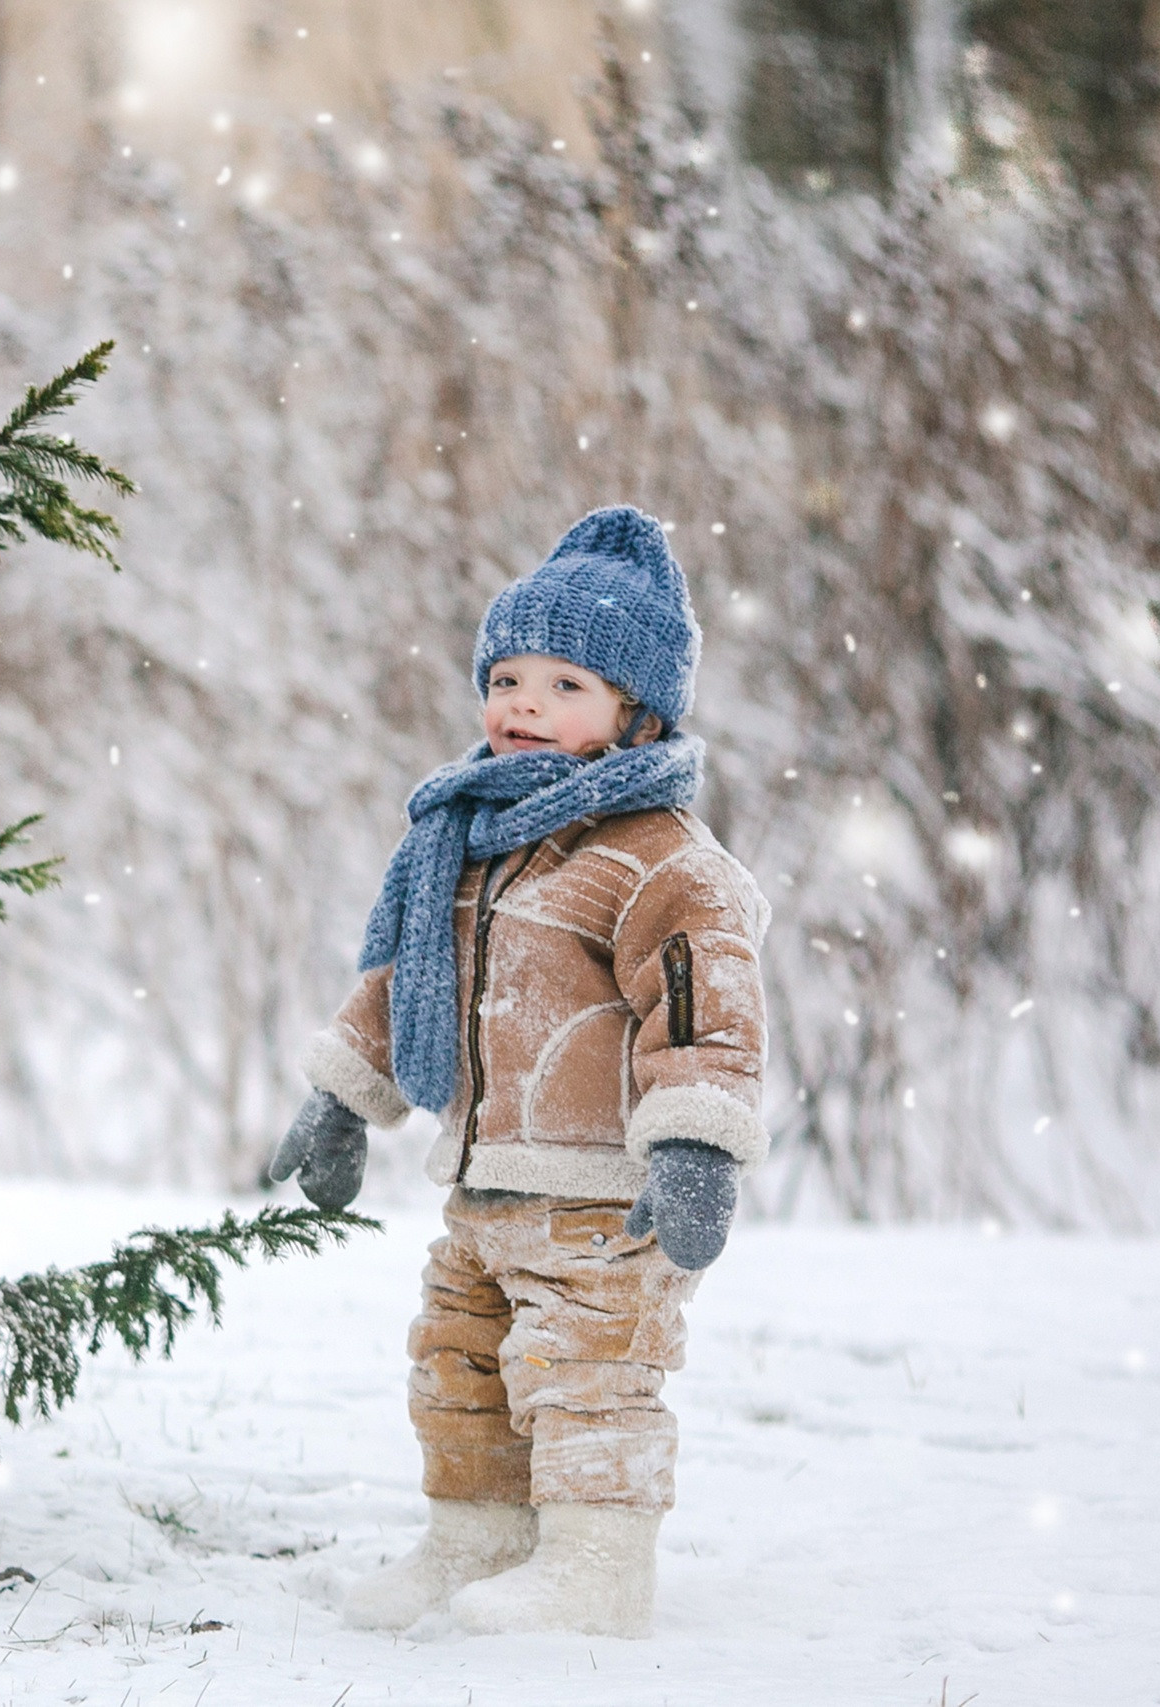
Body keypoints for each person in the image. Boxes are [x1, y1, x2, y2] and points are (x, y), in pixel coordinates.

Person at [269, 505, 770, 1639]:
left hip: (602, 1199)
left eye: (563, 686)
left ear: (636, 713)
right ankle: (476, 1544)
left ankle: (596, 1570)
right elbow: (408, 983)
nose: (522, 706)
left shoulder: (662, 862)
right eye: (506, 678)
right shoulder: (472, 843)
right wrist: (343, 1098)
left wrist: (695, 1144)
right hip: (482, 1184)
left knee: (587, 1377)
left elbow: (705, 1010)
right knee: (462, 1368)